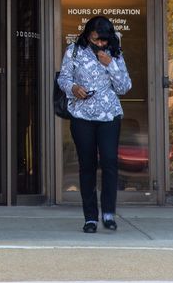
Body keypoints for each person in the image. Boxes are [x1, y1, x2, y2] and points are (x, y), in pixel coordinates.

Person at [57, 15, 132, 233]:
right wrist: (73, 88)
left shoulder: (115, 54)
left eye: (103, 40)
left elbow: (124, 87)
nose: (99, 44)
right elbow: (63, 78)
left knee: (109, 163)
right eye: (95, 39)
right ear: (88, 34)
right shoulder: (74, 50)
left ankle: (108, 213)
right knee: (86, 166)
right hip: (81, 116)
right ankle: (90, 217)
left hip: (109, 116)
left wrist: (111, 66)